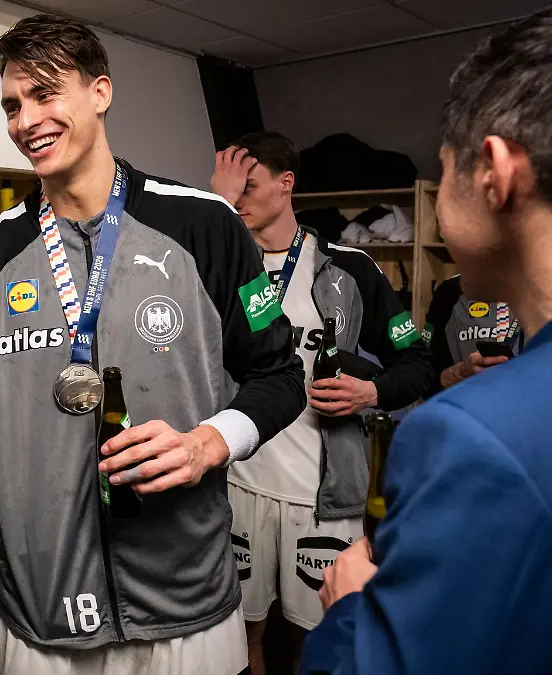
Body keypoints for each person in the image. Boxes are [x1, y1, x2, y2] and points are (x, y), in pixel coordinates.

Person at [0, 14, 306, 675]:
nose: (27, 120)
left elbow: (280, 377)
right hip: (42, 618)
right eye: (12, 105)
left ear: (100, 92)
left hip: (188, 607)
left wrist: (208, 443)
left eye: (44, 94)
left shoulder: (202, 225)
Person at [299, 10, 552, 674]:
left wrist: (354, 608)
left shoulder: (466, 432)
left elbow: (409, 358)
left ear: (494, 172)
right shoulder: (242, 275)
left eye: (442, 178)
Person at [209, 132, 431, 675]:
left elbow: (417, 362)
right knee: (239, 631)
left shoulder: (349, 268)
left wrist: (371, 392)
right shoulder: (215, 265)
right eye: (226, 188)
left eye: (247, 186)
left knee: (324, 635)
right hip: (239, 483)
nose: (236, 198)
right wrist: (220, 211)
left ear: (286, 184)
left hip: (322, 493)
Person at [421, 274, 521, 395]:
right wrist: (460, 372)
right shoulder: (450, 291)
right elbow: (425, 380)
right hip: (466, 402)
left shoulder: (537, 288)